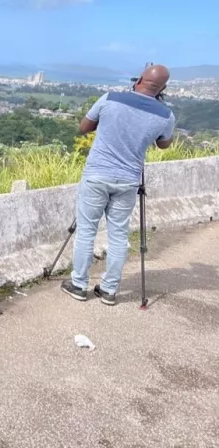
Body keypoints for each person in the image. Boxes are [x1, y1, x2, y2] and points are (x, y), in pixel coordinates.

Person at [61, 64, 176, 306]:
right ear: (163, 88)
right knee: (118, 235)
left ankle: (79, 285)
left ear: (139, 79)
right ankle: (109, 290)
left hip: (97, 175)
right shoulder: (166, 115)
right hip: (128, 180)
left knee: (86, 230)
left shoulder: (110, 98)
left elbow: (83, 128)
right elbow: (163, 144)